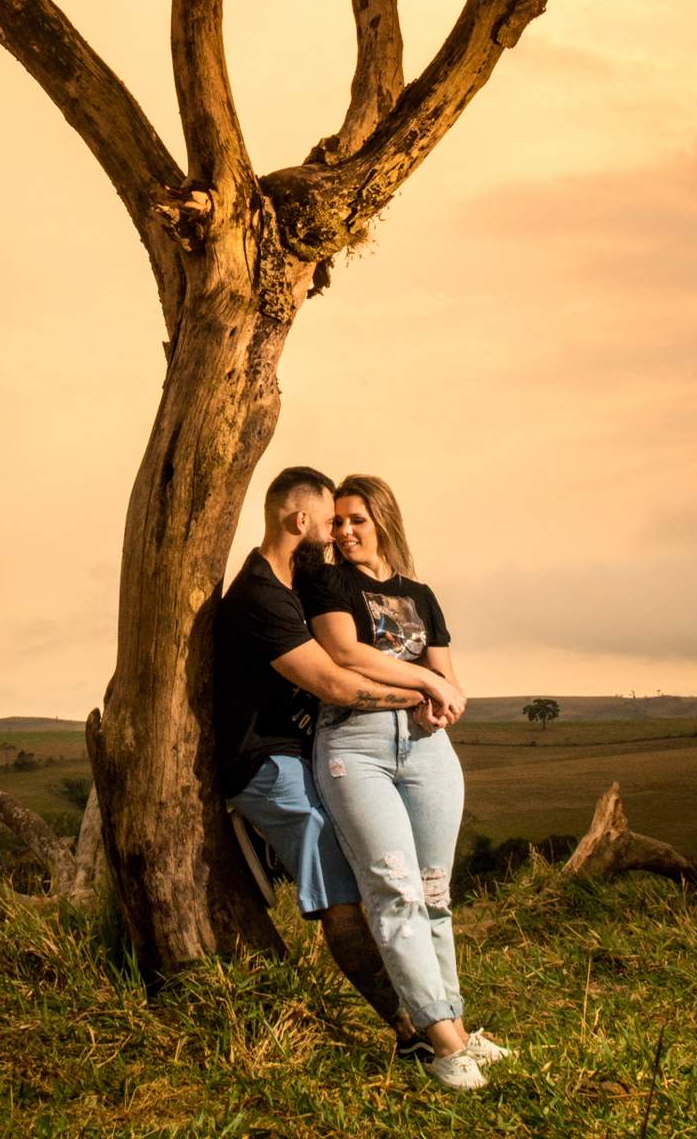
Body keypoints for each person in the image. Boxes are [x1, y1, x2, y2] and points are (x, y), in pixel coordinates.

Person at [298, 474, 512, 1093]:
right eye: (336, 522)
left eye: (355, 520)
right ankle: (444, 1046)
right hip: (356, 743)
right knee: (395, 892)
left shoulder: (419, 594)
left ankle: (457, 1028)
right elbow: (345, 654)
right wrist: (428, 686)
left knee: (435, 893)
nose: (342, 532)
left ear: (384, 520)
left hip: (427, 749)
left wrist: (444, 698)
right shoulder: (328, 580)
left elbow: (447, 673)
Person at [214, 464, 437, 1059]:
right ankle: (410, 1031)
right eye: (329, 523)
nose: (336, 536)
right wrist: (418, 696)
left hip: (301, 753)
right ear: (300, 519)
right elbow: (335, 685)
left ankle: (431, 1012)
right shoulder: (260, 595)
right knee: (345, 898)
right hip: (266, 765)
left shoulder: (291, 588)